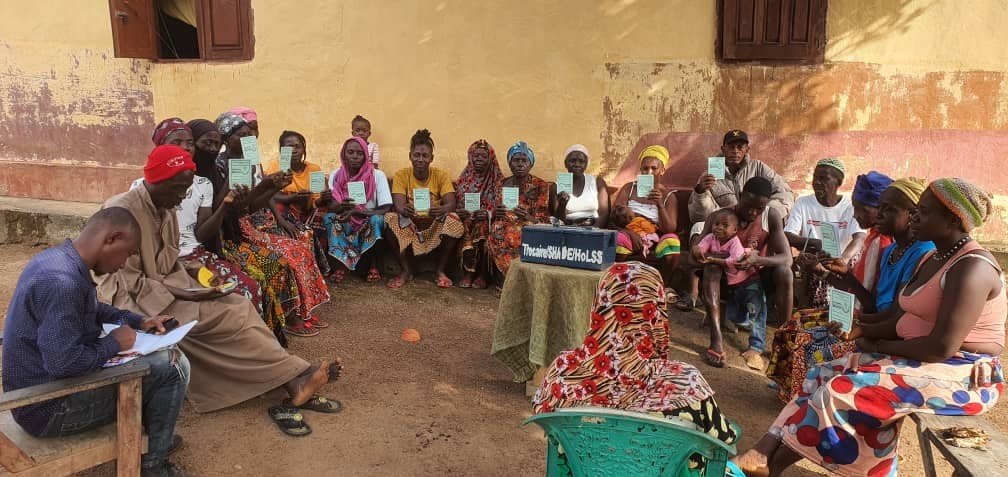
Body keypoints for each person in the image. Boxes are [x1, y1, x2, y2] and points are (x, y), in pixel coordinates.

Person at [735, 177, 1005, 477]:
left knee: (841, 391)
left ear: (953, 220)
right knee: (821, 373)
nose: (915, 217)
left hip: (964, 375)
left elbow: (941, 346)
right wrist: (862, 329)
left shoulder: (972, 268)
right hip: (924, 359)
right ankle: (764, 454)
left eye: (924, 211)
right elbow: (898, 317)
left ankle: (773, 465)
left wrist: (876, 345)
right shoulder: (933, 258)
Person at [98, 144, 341, 420]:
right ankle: (294, 375)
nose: (183, 196)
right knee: (225, 318)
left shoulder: (165, 207)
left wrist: (199, 275)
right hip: (133, 298)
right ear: (159, 181)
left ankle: (291, 375)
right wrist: (188, 294)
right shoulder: (122, 212)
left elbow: (171, 259)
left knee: (239, 303)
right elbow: (125, 280)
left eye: (186, 189)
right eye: (179, 189)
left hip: (166, 286)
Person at [3, 208, 188, 476]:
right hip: (48, 408)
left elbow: (91, 308)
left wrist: (138, 321)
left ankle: (155, 439)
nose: (123, 264)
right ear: (112, 238)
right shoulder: (63, 283)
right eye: (128, 253)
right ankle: (153, 465)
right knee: (173, 366)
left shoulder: (59, 260)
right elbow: (63, 364)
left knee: (159, 359)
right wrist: (114, 344)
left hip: (38, 394)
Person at [532, 262, 739, 476]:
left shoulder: (563, 372)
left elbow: (545, 420)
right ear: (656, 311)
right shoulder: (686, 382)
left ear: (600, 302)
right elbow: (724, 440)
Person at [187, 118, 302, 344]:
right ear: (228, 138)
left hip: (231, 234)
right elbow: (216, 215)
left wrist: (270, 186)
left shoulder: (236, 165)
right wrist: (234, 187)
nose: (211, 148)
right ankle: (260, 338)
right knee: (256, 279)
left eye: (214, 143)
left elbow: (244, 207)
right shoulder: (212, 170)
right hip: (216, 243)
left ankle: (280, 324)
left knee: (280, 264)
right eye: (206, 143)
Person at [216, 113, 330, 337]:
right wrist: (272, 189)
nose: (249, 139)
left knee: (301, 246)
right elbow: (237, 207)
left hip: (257, 219)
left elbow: (253, 203)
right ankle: (290, 315)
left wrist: (272, 188)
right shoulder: (220, 165)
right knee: (290, 253)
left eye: (250, 134)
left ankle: (304, 309)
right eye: (243, 135)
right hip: (238, 228)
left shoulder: (251, 160)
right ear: (226, 138)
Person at [139, 118, 263, 312]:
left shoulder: (203, 184)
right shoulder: (142, 188)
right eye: (177, 142)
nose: (185, 147)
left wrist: (226, 204)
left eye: (189, 143)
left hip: (195, 255)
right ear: (160, 147)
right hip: (162, 262)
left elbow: (202, 234)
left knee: (248, 289)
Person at [693, 177, 792, 369]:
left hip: (755, 278)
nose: (753, 212)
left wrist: (757, 260)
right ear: (739, 196)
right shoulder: (721, 217)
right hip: (725, 278)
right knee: (711, 268)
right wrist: (712, 256)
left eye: (759, 208)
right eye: (748, 206)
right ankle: (716, 340)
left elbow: (787, 258)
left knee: (785, 272)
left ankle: (785, 340)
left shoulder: (770, 216)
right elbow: (695, 254)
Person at [827, 177, 934, 313]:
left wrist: (859, 322)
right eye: (880, 207)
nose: (879, 215)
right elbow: (875, 306)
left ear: (912, 214)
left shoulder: (923, 252)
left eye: (889, 209)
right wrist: (846, 274)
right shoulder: (890, 252)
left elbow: (895, 316)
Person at [384, 129, 464, 289]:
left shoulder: (441, 175)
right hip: (410, 223)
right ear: (410, 156)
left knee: (454, 220)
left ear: (431, 158)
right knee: (389, 219)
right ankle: (406, 270)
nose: (420, 159)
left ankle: (440, 271)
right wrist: (405, 209)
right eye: (416, 155)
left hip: (434, 222)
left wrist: (441, 209)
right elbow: (399, 205)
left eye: (425, 156)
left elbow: (451, 204)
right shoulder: (401, 175)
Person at [786, 158, 866, 308]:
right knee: (813, 264)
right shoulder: (803, 203)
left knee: (852, 264)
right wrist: (817, 244)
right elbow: (788, 235)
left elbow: (860, 237)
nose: (817, 182)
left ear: (838, 182)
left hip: (843, 260)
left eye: (824, 178)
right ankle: (824, 309)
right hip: (816, 259)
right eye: (815, 177)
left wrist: (843, 259)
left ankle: (837, 310)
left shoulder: (849, 206)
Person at [263, 130, 333, 278]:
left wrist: (323, 197)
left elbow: (316, 201)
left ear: (303, 149)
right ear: (281, 150)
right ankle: (293, 264)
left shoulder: (314, 169)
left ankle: (315, 264)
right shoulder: (276, 166)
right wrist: (292, 198)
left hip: (307, 211)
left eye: (297, 146)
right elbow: (269, 194)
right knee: (278, 209)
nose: (294, 150)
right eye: (288, 147)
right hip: (285, 212)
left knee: (323, 213)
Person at [610, 145, 681, 286]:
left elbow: (670, 229)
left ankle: (663, 285)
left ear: (662, 171)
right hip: (629, 234)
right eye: (645, 168)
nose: (649, 172)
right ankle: (618, 283)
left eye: (654, 168)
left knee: (672, 242)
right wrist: (630, 233)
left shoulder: (669, 196)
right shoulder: (629, 189)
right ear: (640, 170)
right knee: (619, 239)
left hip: (655, 239)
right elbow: (613, 218)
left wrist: (659, 205)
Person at [324, 136, 392, 282]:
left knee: (377, 220)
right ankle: (342, 265)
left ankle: (373, 265)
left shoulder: (377, 175)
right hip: (345, 217)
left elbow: (386, 208)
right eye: (350, 152)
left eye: (360, 153)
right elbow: (332, 208)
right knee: (329, 218)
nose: (355, 157)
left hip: (368, 217)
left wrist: (359, 212)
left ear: (366, 155)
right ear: (343, 154)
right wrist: (343, 207)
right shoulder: (336, 175)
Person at [689, 130, 794, 224]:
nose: (735, 151)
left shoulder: (758, 167)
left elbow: (785, 193)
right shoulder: (710, 175)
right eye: (731, 147)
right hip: (725, 227)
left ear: (747, 150)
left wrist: (763, 215)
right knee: (698, 226)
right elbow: (699, 218)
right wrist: (700, 192)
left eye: (740, 147)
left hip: (755, 224)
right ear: (723, 149)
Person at [488, 141, 551, 291]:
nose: (520, 164)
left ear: (531, 164)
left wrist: (527, 216)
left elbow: (543, 218)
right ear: (510, 164)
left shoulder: (540, 185)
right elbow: (492, 209)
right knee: (497, 229)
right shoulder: (501, 184)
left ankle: (519, 281)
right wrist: (496, 212)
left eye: (524, 160)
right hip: (504, 223)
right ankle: (507, 278)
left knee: (515, 233)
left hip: (529, 224)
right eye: (516, 160)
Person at [454, 139, 503, 289]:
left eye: (483, 156)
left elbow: (501, 205)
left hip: (487, 220)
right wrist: (461, 211)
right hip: (468, 218)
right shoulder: (463, 179)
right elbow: (457, 203)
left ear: (490, 159)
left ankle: (483, 274)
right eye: (476, 156)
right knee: (466, 225)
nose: (479, 159)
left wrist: (488, 213)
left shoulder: (498, 181)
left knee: (482, 226)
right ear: (470, 157)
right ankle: (468, 272)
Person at [549, 144, 610, 227]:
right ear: (565, 164)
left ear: (586, 165)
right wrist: (562, 204)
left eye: (581, 161)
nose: (577, 164)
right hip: (568, 228)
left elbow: (604, 214)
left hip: (593, 227)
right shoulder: (558, 185)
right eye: (572, 161)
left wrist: (593, 230)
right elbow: (557, 221)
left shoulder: (597, 182)